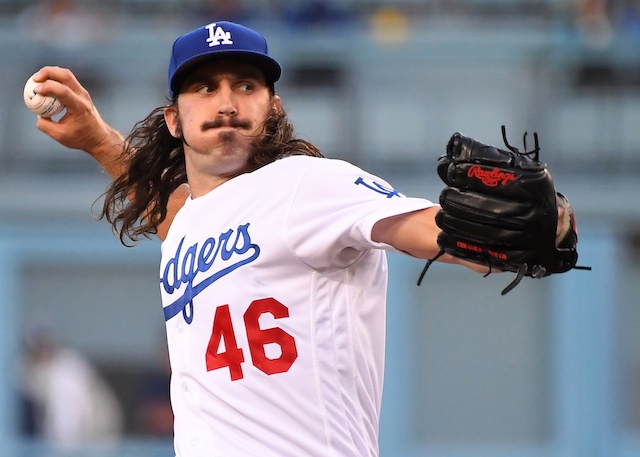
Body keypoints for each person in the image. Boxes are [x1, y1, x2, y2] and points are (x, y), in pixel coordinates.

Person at [29, 20, 563, 457]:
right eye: (204, 87)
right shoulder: (189, 218)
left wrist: (545, 225)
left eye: (246, 84)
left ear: (274, 106)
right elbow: (174, 214)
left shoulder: (307, 185)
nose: (227, 103)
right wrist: (98, 140)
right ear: (174, 119)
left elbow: (430, 231)